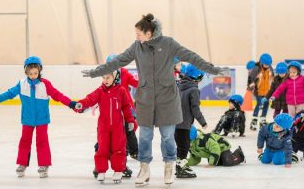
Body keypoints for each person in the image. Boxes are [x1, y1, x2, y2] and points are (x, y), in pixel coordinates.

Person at [81, 13, 228, 186]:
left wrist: (211, 69)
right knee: (144, 137)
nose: (136, 37)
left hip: (167, 99)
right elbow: (118, 61)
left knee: (167, 137)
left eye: (138, 34)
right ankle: (144, 169)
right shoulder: (137, 47)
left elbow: (191, 56)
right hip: (145, 99)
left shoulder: (168, 44)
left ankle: (169, 166)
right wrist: (96, 72)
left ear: (149, 33)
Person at [0, 56, 76, 178]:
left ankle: (44, 165)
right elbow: (9, 93)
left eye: (35, 73)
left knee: (42, 141)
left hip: (42, 119)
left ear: (39, 71)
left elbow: (58, 95)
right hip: (27, 119)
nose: (33, 75)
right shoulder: (22, 84)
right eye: (30, 73)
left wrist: (70, 103)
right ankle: (22, 164)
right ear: (26, 72)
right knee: (24, 141)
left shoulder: (45, 84)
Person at [74, 71, 137, 184]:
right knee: (102, 148)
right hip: (103, 126)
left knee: (118, 148)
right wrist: (81, 104)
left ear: (115, 78)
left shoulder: (121, 91)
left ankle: (118, 170)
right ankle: (101, 170)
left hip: (117, 126)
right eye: (103, 77)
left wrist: (130, 120)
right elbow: (90, 99)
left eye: (108, 77)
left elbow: (126, 107)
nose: (105, 80)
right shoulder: (100, 91)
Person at [175, 64, 207, 178]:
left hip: (175, 122)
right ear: (196, 77)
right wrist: (203, 122)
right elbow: (195, 109)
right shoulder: (194, 90)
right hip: (184, 124)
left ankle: (179, 165)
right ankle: (180, 168)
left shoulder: (180, 86)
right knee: (184, 146)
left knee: (180, 146)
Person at [249, 53, 274, 130]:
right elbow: (250, 79)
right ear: (262, 62)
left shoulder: (270, 68)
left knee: (266, 104)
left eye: (268, 64)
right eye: (266, 64)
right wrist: (251, 88)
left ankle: (263, 119)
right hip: (258, 91)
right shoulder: (256, 68)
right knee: (259, 104)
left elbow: (273, 79)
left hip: (267, 91)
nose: (267, 66)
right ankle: (254, 119)